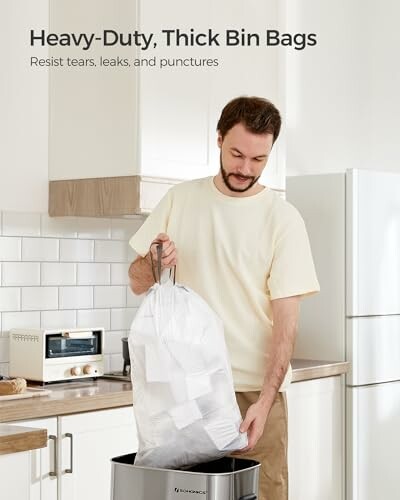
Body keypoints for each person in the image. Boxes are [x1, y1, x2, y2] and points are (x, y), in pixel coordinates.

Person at [128, 96, 320, 500]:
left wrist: (266, 401)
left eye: (258, 160)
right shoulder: (181, 199)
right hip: (186, 392)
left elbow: (286, 323)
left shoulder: (282, 219)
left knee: (262, 494)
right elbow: (137, 280)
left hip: (252, 394)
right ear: (218, 139)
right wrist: (155, 259)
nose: (245, 169)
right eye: (237, 154)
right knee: (183, 496)